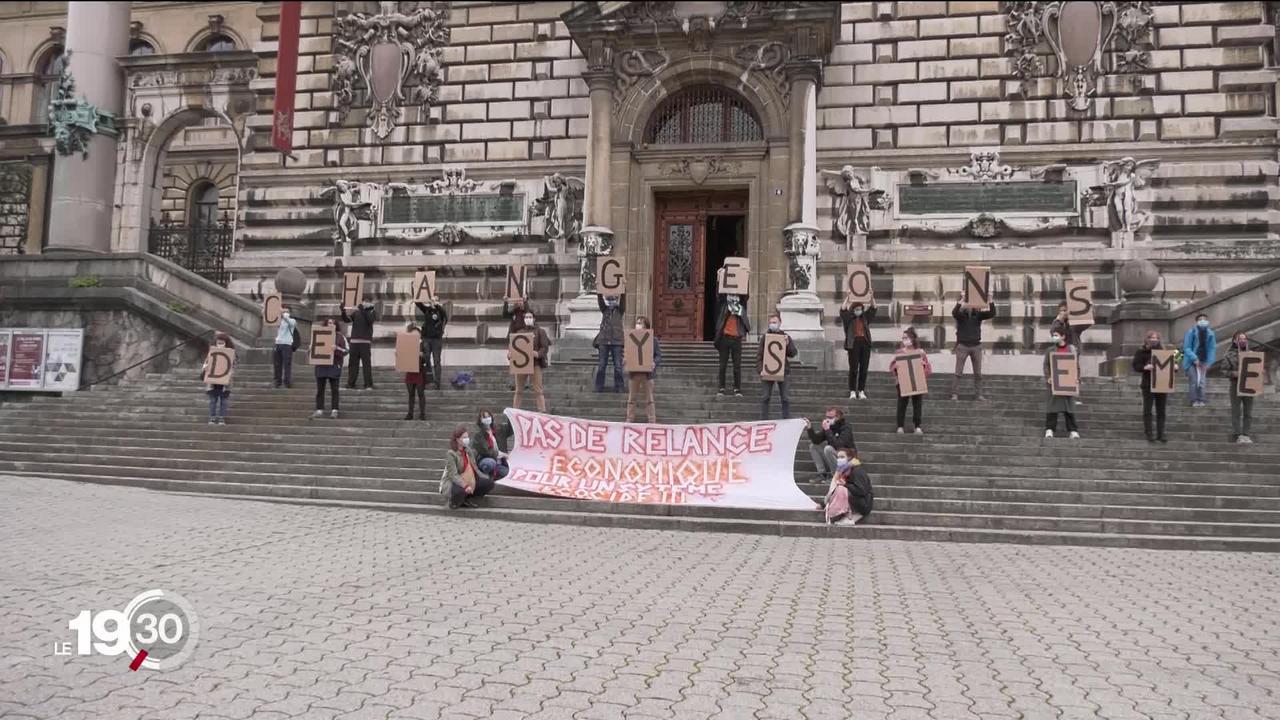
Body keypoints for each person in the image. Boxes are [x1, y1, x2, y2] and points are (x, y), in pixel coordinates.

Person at [951, 300, 997, 401]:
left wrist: (990, 300)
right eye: (969, 305)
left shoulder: (978, 315)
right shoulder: (961, 316)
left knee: (978, 373)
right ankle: (955, 394)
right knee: (958, 372)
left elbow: (992, 313)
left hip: (976, 346)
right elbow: (954, 313)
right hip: (963, 346)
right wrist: (960, 301)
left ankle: (978, 395)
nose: (971, 307)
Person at [889, 327, 931, 435]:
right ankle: (900, 426)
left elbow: (928, 369)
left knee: (917, 404)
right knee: (902, 404)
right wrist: (896, 367)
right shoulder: (900, 352)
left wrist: (923, 365)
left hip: (917, 381)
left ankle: (917, 426)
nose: (904, 340)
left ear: (912, 339)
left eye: (906, 337)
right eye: (903, 338)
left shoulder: (920, 352)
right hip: (902, 382)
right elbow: (892, 367)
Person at [441, 427, 495, 510]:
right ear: (458, 440)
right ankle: (454, 502)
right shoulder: (451, 454)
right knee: (460, 491)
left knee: (489, 483)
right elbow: (453, 475)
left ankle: (467, 499)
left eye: (467, 437)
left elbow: (475, 468)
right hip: (453, 482)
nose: (467, 439)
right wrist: (465, 485)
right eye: (464, 437)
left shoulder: (468, 451)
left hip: (469, 479)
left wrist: (484, 477)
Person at [758, 313, 797, 419]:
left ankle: (786, 419)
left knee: (785, 398)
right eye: (770, 323)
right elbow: (759, 355)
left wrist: (788, 343)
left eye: (774, 322)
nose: (772, 324)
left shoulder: (785, 336)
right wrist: (761, 369)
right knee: (765, 397)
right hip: (767, 370)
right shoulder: (765, 338)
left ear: (780, 323)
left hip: (783, 370)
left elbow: (793, 353)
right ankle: (764, 420)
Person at [1051, 300, 1091, 406]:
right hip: (1060, 354)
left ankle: (1074, 398)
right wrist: (1059, 320)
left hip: (1073, 353)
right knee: (1061, 378)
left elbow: (1087, 323)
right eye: (1062, 311)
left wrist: (1088, 308)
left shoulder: (1073, 324)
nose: (1064, 312)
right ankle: (1062, 399)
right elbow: (1054, 338)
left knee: (1075, 376)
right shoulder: (1057, 323)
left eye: (1066, 310)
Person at [803, 407, 857, 483]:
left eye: (830, 417)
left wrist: (828, 430)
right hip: (835, 459)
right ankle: (822, 474)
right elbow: (816, 440)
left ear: (838, 417)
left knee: (828, 448)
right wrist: (809, 427)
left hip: (847, 460)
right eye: (827, 417)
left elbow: (839, 445)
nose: (827, 419)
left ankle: (836, 476)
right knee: (813, 446)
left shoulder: (846, 426)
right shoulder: (830, 425)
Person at [511, 309, 550, 412]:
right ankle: (515, 410)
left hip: (535, 364)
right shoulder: (520, 332)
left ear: (534, 319)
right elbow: (515, 345)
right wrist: (511, 354)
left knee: (538, 390)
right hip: (521, 364)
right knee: (518, 390)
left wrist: (537, 354)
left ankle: (542, 410)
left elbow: (544, 347)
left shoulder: (540, 331)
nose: (528, 319)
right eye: (526, 317)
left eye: (530, 317)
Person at [1132, 331, 1168, 443]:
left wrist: (1175, 366)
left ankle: (1160, 434)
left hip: (1162, 383)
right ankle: (1149, 433)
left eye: (1156, 338)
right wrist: (1145, 367)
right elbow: (1135, 366)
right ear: (1147, 339)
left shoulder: (1164, 351)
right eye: (1152, 338)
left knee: (1161, 410)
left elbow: (1177, 358)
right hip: (1148, 383)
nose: (1154, 340)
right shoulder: (1141, 351)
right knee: (1147, 409)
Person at [1043, 330, 1080, 439]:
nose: (1054, 337)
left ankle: (1073, 430)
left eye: (1056, 335)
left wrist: (1077, 378)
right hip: (1054, 383)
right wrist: (1048, 377)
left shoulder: (1071, 350)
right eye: (1053, 335)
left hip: (1067, 382)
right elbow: (1046, 365)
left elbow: (1075, 366)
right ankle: (1049, 429)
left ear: (1063, 336)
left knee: (1069, 407)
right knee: (1052, 407)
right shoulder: (1050, 350)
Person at [626, 316, 662, 423]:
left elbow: (658, 355)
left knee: (649, 399)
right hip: (634, 373)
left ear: (646, 326)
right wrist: (626, 360)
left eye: (640, 323)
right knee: (631, 399)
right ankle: (629, 419)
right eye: (637, 323)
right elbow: (628, 353)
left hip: (647, 374)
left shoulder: (653, 340)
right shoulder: (631, 338)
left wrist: (654, 362)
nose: (638, 325)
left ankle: (652, 420)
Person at [1221, 331, 1256, 444]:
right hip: (1235, 384)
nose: (1242, 340)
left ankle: (1246, 434)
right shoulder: (1229, 354)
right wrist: (1234, 374)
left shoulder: (1252, 354)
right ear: (1235, 341)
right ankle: (1237, 434)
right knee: (1236, 411)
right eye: (1240, 338)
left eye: (1244, 338)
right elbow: (1223, 370)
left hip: (1249, 385)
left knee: (1248, 412)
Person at [714, 292, 750, 397]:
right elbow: (719, 296)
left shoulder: (741, 308)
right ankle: (721, 388)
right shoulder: (724, 307)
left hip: (736, 339)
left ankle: (737, 389)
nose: (733, 297)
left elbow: (746, 297)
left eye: (735, 296)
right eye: (730, 295)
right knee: (722, 365)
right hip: (725, 338)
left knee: (737, 366)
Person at [823, 450, 873, 526]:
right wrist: (822, 504)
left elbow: (861, 491)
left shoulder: (857, 471)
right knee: (839, 488)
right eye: (838, 457)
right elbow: (833, 490)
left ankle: (849, 516)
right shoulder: (843, 471)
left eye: (842, 457)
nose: (839, 459)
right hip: (857, 500)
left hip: (864, 502)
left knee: (841, 489)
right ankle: (845, 513)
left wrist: (845, 484)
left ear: (849, 458)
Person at [839, 298, 876, 400]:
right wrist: (847, 297)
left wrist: (872, 297)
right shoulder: (848, 319)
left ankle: (861, 391)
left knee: (864, 368)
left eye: (860, 309)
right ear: (853, 310)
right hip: (853, 344)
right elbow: (843, 309)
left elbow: (873, 308)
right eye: (856, 309)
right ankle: (852, 391)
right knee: (854, 369)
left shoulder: (865, 318)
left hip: (865, 344)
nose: (858, 311)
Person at [313, 317, 349, 419]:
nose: (330, 324)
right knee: (320, 389)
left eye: (333, 323)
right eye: (329, 322)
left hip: (334, 365)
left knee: (334, 389)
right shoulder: (318, 335)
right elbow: (312, 349)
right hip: (321, 365)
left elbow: (346, 350)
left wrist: (336, 348)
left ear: (336, 325)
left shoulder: (340, 337)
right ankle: (319, 409)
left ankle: (334, 410)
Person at [1182, 313, 1216, 408]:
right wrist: (1194, 358)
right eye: (1200, 319)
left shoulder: (1210, 334)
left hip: (1203, 360)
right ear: (1196, 322)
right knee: (1194, 380)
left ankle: (1201, 399)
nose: (1202, 321)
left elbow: (1212, 348)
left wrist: (1209, 362)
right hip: (1191, 361)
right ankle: (1194, 399)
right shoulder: (1191, 332)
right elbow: (1187, 347)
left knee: (1202, 381)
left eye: (1204, 319)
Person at [342, 300, 377, 390]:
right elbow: (347, 320)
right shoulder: (356, 312)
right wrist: (343, 311)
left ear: (370, 303)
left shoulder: (372, 312)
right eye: (363, 301)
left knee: (366, 364)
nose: (364, 303)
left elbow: (370, 320)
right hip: (354, 342)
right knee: (353, 364)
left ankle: (368, 384)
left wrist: (363, 310)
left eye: (366, 301)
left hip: (365, 342)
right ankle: (351, 383)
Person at [595, 293, 626, 393]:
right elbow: (600, 301)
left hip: (617, 342)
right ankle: (599, 386)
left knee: (618, 366)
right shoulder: (605, 310)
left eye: (613, 299)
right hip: (604, 341)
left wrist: (623, 290)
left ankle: (619, 386)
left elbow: (623, 301)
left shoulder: (620, 311)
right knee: (601, 365)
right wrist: (599, 291)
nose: (611, 301)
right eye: (610, 299)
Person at [202, 333, 235, 425]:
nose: (220, 345)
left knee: (223, 401)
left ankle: (221, 418)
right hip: (213, 382)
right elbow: (206, 364)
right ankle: (212, 417)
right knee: (213, 401)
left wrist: (230, 372)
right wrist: (205, 368)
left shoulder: (230, 354)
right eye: (218, 343)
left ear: (226, 343)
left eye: (222, 343)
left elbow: (232, 366)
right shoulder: (212, 353)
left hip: (225, 383)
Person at [414, 299, 447, 391]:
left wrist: (437, 306)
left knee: (436, 361)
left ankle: (437, 383)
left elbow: (445, 315)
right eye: (432, 300)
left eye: (435, 300)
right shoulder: (427, 310)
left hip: (436, 340)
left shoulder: (440, 311)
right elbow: (419, 304)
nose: (432, 301)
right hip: (427, 339)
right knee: (426, 358)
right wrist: (419, 296)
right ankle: (428, 381)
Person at [471, 410, 512, 480]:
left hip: (500, 463)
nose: (487, 419)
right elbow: (486, 451)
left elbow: (511, 429)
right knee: (489, 463)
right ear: (480, 420)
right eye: (484, 417)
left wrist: (512, 415)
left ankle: (495, 473)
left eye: (488, 416)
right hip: (486, 460)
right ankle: (486, 475)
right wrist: (502, 454)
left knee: (508, 474)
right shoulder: (478, 436)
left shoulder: (499, 430)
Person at [402, 322, 427, 421]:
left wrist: (422, 355)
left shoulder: (423, 344)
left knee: (421, 393)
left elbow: (427, 357)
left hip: (419, 371)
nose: (415, 335)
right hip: (410, 371)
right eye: (413, 333)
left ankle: (422, 414)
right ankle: (410, 413)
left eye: (417, 333)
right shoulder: (407, 343)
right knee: (411, 394)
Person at [272, 306, 297, 389]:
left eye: (286, 311)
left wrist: (283, 313)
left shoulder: (292, 321)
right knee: (277, 364)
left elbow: (290, 322)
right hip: (278, 343)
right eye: (283, 311)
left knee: (287, 364)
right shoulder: (280, 321)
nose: (284, 312)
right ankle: (277, 381)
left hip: (287, 344)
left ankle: (287, 381)